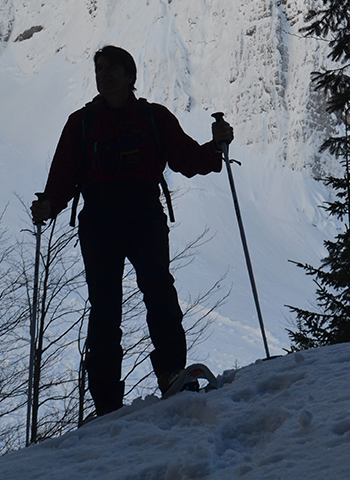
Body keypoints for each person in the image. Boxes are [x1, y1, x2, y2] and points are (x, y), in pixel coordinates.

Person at [30, 45, 234, 416]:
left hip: (127, 217)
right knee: (118, 303)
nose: (103, 74)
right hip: (117, 218)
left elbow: (186, 158)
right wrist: (48, 204)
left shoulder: (144, 119)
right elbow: (62, 176)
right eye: (100, 68)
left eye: (111, 69)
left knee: (148, 293)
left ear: (129, 76)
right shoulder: (88, 123)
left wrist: (215, 149)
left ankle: (155, 378)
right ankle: (120, 393)